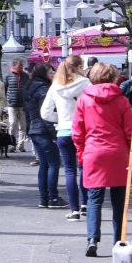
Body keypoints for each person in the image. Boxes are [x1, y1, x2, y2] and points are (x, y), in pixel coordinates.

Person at [72, 62, 132, 257]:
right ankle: (119, 240)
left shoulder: (83, 100)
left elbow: (78, 132)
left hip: (94, 152)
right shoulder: (122, 100)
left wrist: (81, 154)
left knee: (94, 199)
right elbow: (130, 131)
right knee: (119, 200)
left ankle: (92, 238)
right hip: (118, 153)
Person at [41, 55, 91, 220]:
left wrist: (61, 119)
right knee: (83, 168)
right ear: (79, 67)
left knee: (70, 171)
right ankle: (85, 205)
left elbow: (45, 113)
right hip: (82, 131)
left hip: (63, 131)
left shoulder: (55, 86)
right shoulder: (86, 84)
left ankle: (74, 210)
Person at [24, 64, 68, 208]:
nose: (53, 74)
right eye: (50, 72)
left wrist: (28, 130)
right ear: (43, 74)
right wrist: (54, 134)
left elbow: (28, 113)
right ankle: (53, 198)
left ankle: (44, 198)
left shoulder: (29, 87)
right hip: (44, 130)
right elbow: (46, 115)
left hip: (35, 131)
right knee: (53, 164)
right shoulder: (43, 89)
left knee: (44, 165)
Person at [4, 57, 30, 152]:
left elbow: (27, 89)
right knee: (12, 123)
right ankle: (12, 143)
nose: (22, 67)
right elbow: (5, 89)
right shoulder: (8, 76)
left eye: (22, 65)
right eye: (20, 65)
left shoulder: (25, 76)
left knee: (23, 125)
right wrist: (5, 101)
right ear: (14, 65)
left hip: (23, 104)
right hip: (12, 104)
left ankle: (21, 144)